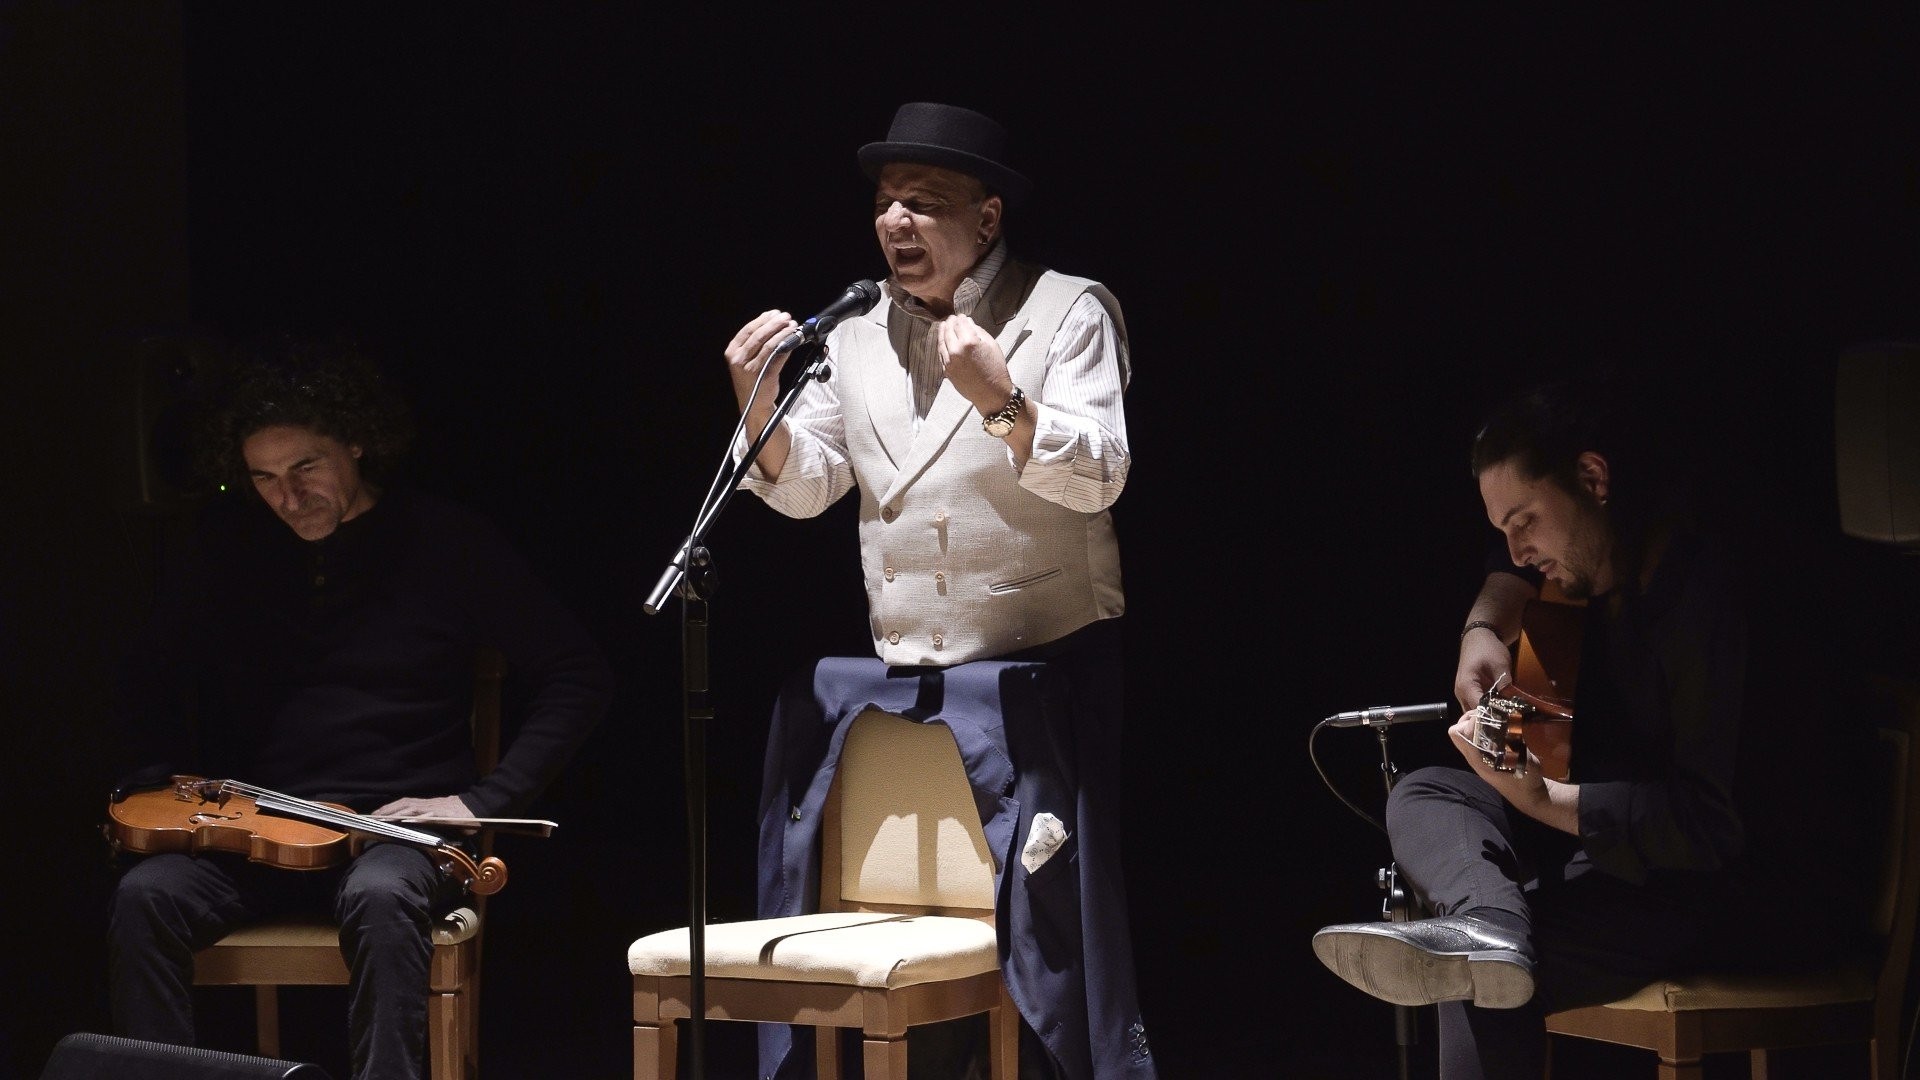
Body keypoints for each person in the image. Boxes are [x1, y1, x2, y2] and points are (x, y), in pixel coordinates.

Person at [721, 102, 1155, 1079]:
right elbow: (809, 483)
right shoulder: (861, 330)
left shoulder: (1066, 308)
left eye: (925, 202)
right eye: (886, 203)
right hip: (909, 688)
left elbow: (1101, 473)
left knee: (1044, 948)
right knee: (921, 928)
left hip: (1045, 673)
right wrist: (759, 408)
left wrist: (1002, 399)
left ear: (988, 218)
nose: (897, 223)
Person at [1309, 376, 1873, 1078]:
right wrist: (1489, 651)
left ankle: (1489, 939)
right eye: (1502, 534)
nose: (1516, 553)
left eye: (1524, 523)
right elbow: (1542, 735)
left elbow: (1707, 825)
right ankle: (1490, 922)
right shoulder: (1569, 591)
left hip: (1742, 886)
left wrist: (1543, 800)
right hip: (1632, 855)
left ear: (1593, 478)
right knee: (1425, 793)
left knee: (1478, 982)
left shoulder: (1701, 593)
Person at [105, 337, 615, 1080]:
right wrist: (155, 781)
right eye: (263, 477)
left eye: (305, 467)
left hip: (393, 832)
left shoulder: (446, 542)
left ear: (356, 442)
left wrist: (483, 800)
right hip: (261, 831)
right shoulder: (231, 553)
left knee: (380, 897)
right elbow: (148, 674)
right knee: (145, 897)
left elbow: (578, 672)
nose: (287, 496)